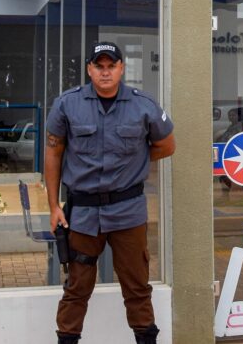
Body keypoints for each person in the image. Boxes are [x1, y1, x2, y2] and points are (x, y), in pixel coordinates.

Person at [45, 41, 175, 344]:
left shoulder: (143, 105)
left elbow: (167, 145)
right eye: (99, 66)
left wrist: (134, 161)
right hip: (83, 213)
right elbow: (54, 154)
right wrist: (54, 206)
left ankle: (146, 340)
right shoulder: (67, 104)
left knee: (137, 286)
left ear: (121, 69)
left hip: (128, 212)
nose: (105, 72)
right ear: (90, 69)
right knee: (76, 287)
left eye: (111, 66)